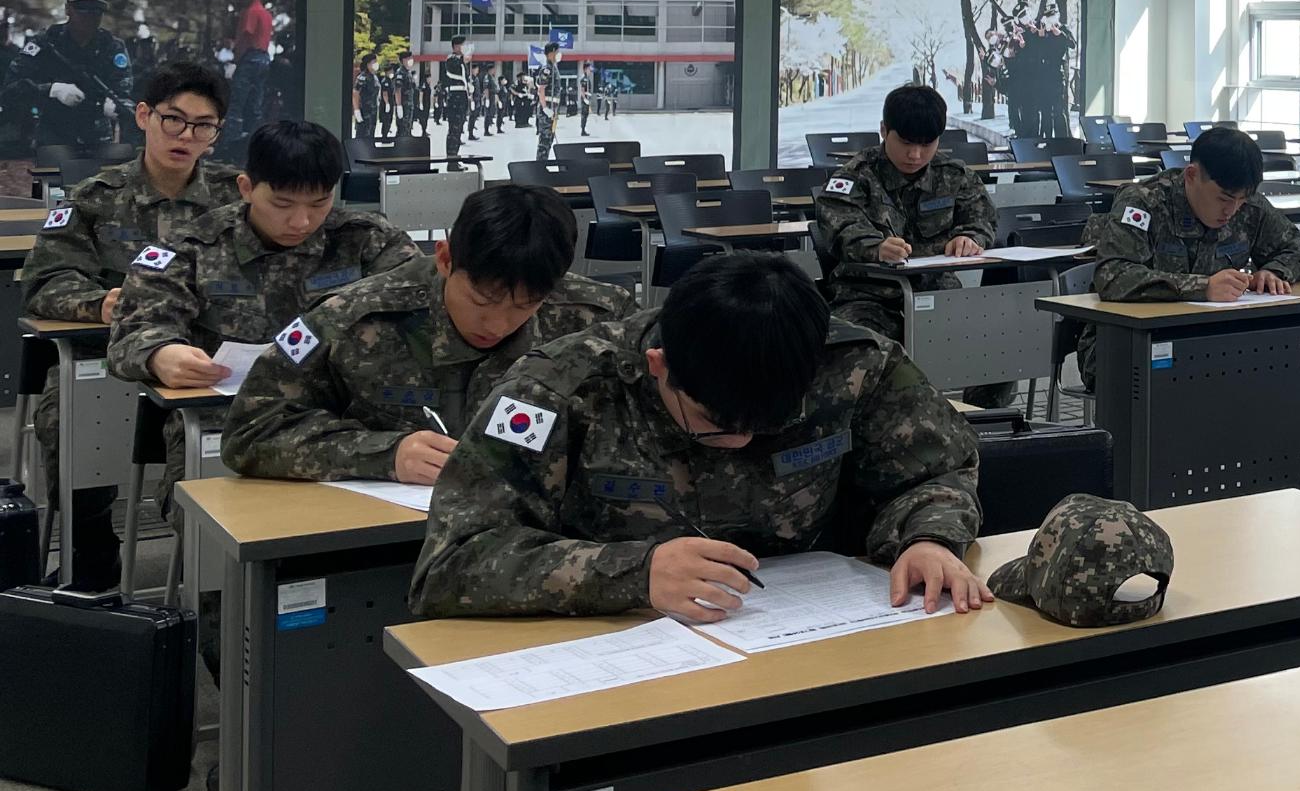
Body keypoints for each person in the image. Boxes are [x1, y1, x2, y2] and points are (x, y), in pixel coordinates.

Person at [408, 250, 987, 621]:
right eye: (712, 425)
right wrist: (633, 572)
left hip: (806, 635)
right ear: (658, 365)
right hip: (622, 652)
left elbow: (938, 470)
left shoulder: (857, 364)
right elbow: (452, 560)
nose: (739, 443)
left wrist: (927, 537)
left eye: (765, 428)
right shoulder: (560, 390)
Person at [223, 183, 636, 484]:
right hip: (383, 543)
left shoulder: (600, 319)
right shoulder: (353, 318)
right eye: (480, 301)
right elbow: (250, 432)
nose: (496, 324)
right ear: (443, 258)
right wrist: (385, 454)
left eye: (524, 307)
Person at [19, 59, 243, 588]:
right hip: (108, 360)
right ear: (144, 116)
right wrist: (98, 304)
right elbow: (43, 283)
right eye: (173, 119)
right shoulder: (96, 196)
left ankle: (213, 580)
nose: (186, 135)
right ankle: (93, 550)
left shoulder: (236, 197)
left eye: (202, 126)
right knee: (65, 415)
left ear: (217, 133)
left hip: (207, 364)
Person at [107, 119, 419, 391]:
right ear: (246, 188)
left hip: (340, 415)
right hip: (223, 420)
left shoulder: (366, 240)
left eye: (318, 203)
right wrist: (160, 354)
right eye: (282, 204)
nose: (301, 222)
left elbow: (426, 304)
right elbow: (133, 332)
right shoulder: (190, 248)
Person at [810, 83, 1009, 405]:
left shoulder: (954, 175)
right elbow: (840, 225)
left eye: (926, 144)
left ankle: (978, 428)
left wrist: (970, 238)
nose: (915, 155)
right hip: (869, 297)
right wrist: (875, 247)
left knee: (1001, 347)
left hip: (939, 294)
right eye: (905, 143)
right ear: (884, 131)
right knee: (855, 354)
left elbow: (982, 218)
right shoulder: (854, 177)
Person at [1078, 124, 1300, 379]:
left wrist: (1272, 272)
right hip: (1127, 345)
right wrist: (1202, 287)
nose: (1231, 210)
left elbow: (1294, 249)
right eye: (1223, 199)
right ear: (1191, 175)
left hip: (1212, 342)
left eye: (1241, 200)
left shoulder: (1248, 205)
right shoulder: (1143, 202)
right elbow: (1113, 275)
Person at [13, 0, 135, 161]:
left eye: (96, 12)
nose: (90, 18)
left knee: (99, 189)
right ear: (68, 9)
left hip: (98, 141)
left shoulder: (112, 46)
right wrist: (51, 90)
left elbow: (123, 87)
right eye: (83, 10)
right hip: (54, 138)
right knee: (53, 188)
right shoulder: (46, 42)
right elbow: (13, 87)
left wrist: (115, 104)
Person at [230, 0, 275, 136]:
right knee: (256, 101)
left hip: (250, 57)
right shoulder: (266, 14)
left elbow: (247, 35)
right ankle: (253, 135)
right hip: (263, 57)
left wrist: (238, 55)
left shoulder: (251, 12)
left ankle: (231, 138)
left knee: (237, 100)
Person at [437, 34, 473, 166]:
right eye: (463, 45)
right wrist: (464, 58)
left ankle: (455, 158)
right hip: (455, 98)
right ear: (456, 46)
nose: (465, 48)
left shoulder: (461, 61)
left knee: (458, 129)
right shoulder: (451, 59)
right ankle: (451, 161)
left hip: (462, 97)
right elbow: (455, 67)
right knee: (454, 130)